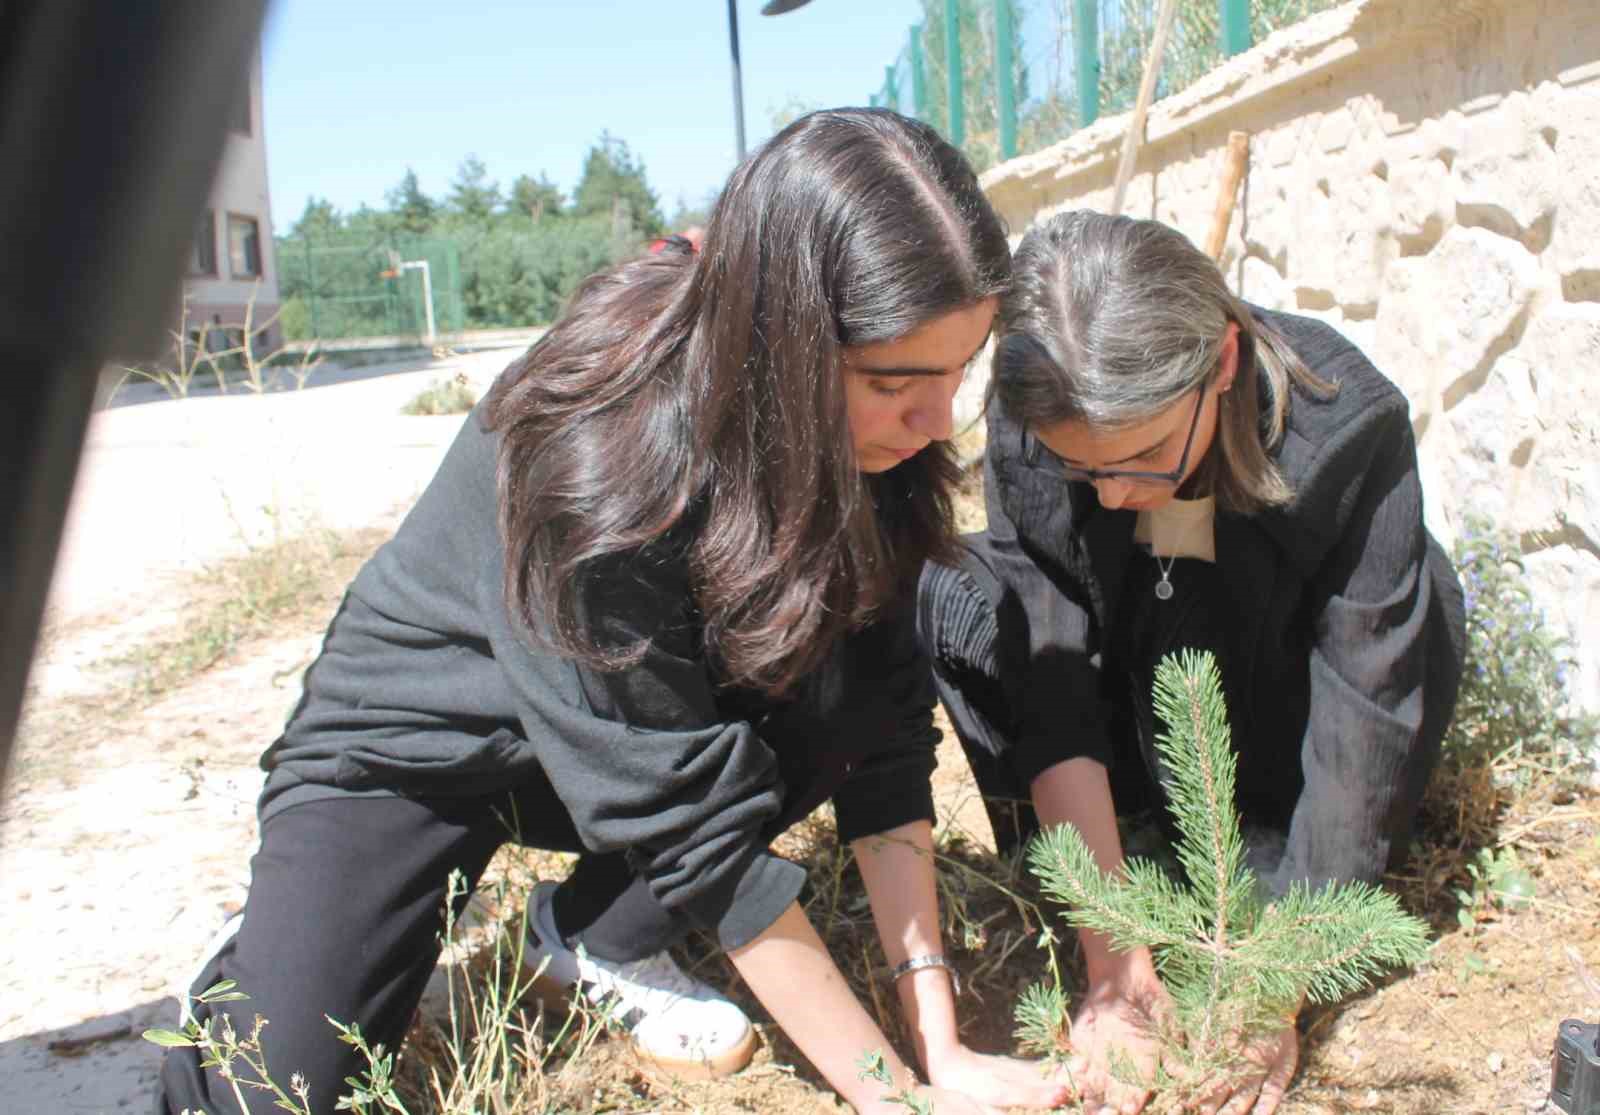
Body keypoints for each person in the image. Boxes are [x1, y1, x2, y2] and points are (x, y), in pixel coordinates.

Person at [157, 108, 1072, 1115]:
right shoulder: (600, 454)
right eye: (895, 381)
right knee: (264, 1089)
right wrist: (893, 1096)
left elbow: (882, 729)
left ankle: (597, 929)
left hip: (625, 727)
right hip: (422, 750)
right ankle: (278, 955)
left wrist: (938, 1044)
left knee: (828, 682)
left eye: (957, 372)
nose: (939, 421)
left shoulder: (868, 438)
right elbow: (696, 828)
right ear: (783, 345)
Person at [917, 210, 1465, 1115]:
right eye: (1084, 471)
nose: (1117, 493)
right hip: (1128, 707)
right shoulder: (1033, 427)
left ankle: (1269, 856)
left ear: (1220, 364)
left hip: (1281, 716)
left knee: (1427, 592)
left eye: (1139, 457)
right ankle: (1121, 844)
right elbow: (1050, 669)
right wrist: (1116, 963)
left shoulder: (1345, 429)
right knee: (960, 591)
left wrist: (1272, 989)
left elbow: (1371, 695)